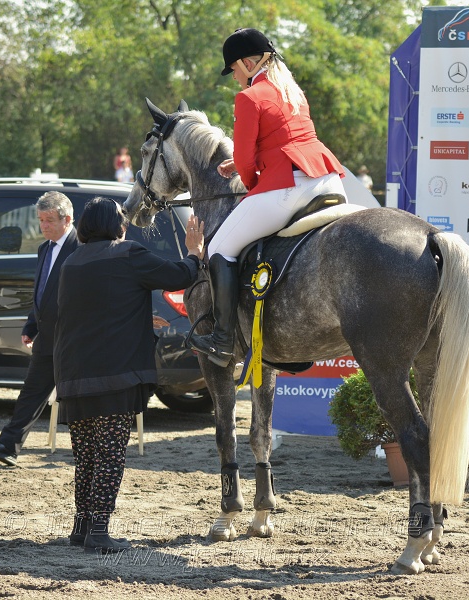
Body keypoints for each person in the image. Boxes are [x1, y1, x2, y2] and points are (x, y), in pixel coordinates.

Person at [186, 27, 346, 368]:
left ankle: (223, 340)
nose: (234, 78)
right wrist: (251, 162)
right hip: (328, 180)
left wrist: (247, 175)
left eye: (234, 70)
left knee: (219, 249)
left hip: (290, 188)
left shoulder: (249, 97)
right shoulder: (293, 91)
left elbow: (246, 162)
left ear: (247, 62)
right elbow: (286, 141)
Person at [54, 198, 204, 553]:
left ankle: (82, 529)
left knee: (87, 456)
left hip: (75, 372)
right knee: (109, 456)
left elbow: (92, 310)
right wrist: (194, 252)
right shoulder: (127, 253)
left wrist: (137, 319)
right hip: (114, 372)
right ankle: (100, 532)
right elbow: (178, 276)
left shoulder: (72, 260)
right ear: (115, 225)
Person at [0, 191, 78, 467]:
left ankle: (87, 452)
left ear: (67, 219)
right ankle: (7, 446)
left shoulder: (81, 246)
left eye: (49, 221)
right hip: (47, 336)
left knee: (79, 398)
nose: (43, 226)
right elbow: (43, 293)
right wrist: (31, 326)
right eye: (41, 220)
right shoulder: (45, 248)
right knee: (31, 393)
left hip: (74, 339)